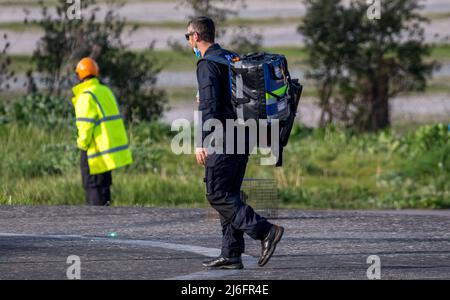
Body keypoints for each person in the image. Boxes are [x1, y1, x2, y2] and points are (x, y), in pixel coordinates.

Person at [186, 16, 284, 269]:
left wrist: (203, 141)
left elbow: (209, 105)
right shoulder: (230, 58)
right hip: (244, 135)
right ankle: (231, 253)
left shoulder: (207, 64)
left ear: (197, 36)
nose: (188, 42)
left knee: (217, 194)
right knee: (229, 193)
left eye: (188, 37)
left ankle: (265, 231)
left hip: (223, 137)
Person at [72, 57, 133, 206]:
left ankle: (97, 227)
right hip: (107, 153)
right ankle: (107, 226)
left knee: (93, 191)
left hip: (93, 153)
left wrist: (81, 144)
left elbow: (85, 127)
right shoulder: (105, 91)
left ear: (80, 76)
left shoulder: (86, 96)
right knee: (104, 191)